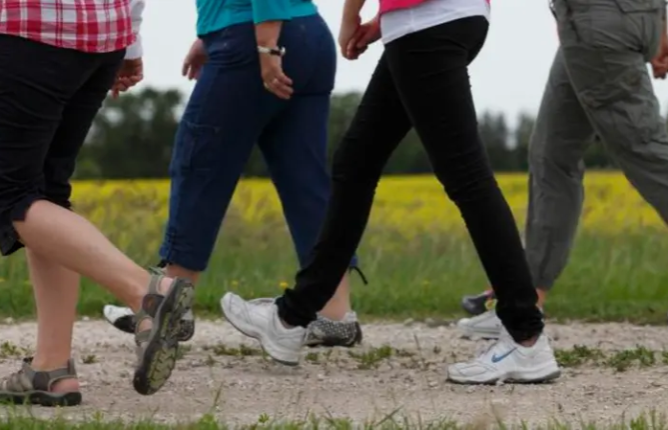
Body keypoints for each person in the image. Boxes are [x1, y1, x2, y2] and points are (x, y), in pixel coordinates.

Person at [218, 0, 562, 384]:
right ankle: (291, 318)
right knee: (356, 163)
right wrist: (384, 18)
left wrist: (350, 17)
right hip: (434, 19)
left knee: (466, 178)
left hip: (426, 24)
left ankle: (525, 335)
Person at [100, 0, 365, 348]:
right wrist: (211, 34)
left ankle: (170, 303)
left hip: (255, 37)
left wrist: (265, 45)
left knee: (199, 164)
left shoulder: (260, 39)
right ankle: (333, 311)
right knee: (305, 180)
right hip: (307, 35)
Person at [0, 0, 195, 406]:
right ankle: (51, 368)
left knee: (6, 195)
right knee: (44, 193)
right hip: (103, 34)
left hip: (29, 28)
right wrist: (130, 41)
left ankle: (148, 294)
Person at [458, 0, 668, 343]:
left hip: (597, 22)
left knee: (646, 149)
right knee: (552, 152)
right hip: (604, 20)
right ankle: (524, 300)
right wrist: (665, 23)